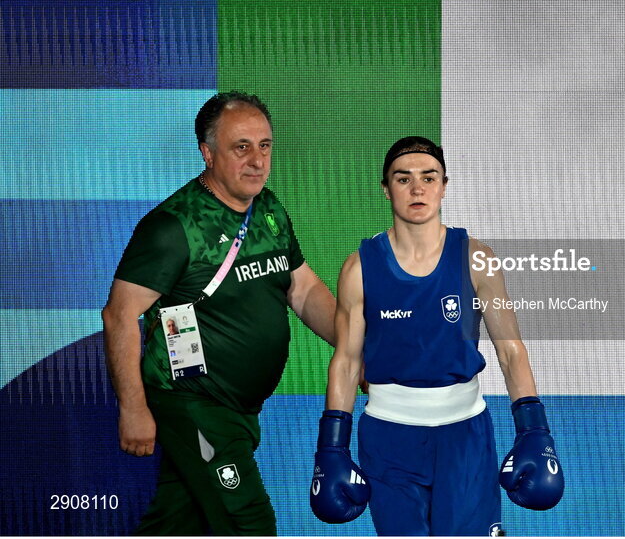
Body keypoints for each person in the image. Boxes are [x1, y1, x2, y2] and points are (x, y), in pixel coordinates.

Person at [102, 91, 338, 535]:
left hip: (240, 409)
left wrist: (354, 347)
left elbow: (303, 289)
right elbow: (119, 315)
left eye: (265, 146)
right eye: (241, 147)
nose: (257, 161)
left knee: (175, 521)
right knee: (249, 523)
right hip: (193, 403)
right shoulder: (171, 227)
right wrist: (132, 408)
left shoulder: (268, 209)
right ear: (207, 153)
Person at [310, 137, 564, 536]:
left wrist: (534, 432)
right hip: (388, 438)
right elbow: (346, 361)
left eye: (429, 178)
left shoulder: (477, 258)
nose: (417, 189)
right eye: (403, 178)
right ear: (385, 188)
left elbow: (511, 352)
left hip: (465, 437)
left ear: (444, 185)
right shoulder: (359, 268)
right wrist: (332, 447)